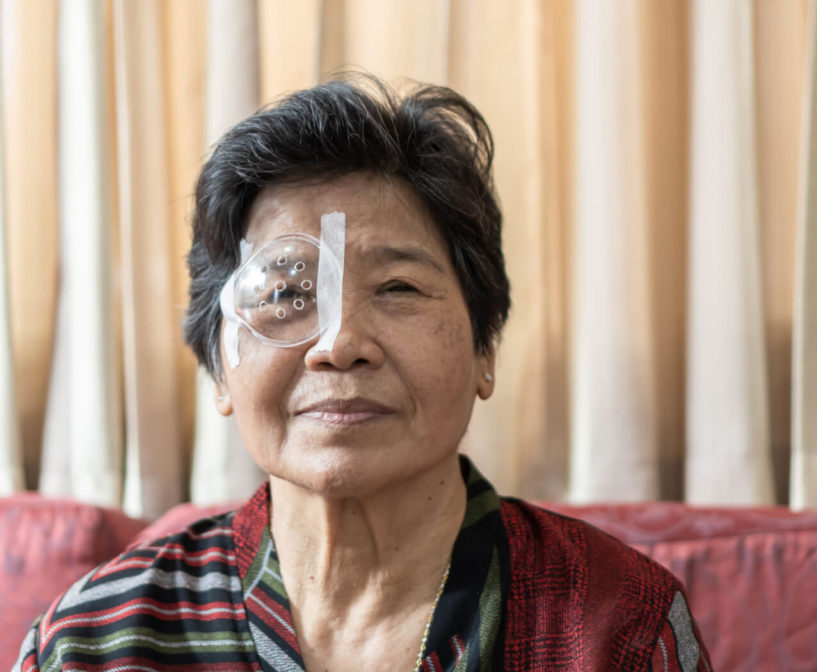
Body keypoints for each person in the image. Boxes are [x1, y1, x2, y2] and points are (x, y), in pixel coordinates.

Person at [13, 75, 712, 672]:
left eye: (398, 289)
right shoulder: (96, 642)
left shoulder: (615, 625)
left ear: (485, 349)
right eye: (287, 294)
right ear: (220, 369)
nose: (339, 343)